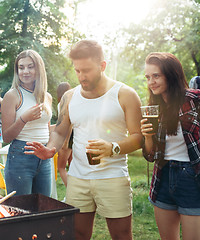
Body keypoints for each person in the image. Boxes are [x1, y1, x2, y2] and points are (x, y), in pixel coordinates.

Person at [25, 40, 142, 239]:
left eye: (86, 70)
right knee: (77, 234)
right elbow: (61, 132)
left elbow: (138, 137)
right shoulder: (69, 97)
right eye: (77, 70)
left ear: (102, 66)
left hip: (113, 177)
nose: (81, 76)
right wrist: (51, 149)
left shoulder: (125, 94)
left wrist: (112, 148)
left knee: (122, 235)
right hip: (78, 178)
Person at [141, 52, 200, 239]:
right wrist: (148, 136)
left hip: (192, 177)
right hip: (163, 176)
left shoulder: (194, 99)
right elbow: (150, 155)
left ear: (171, 74)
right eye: (148, 77)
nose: (151, 82)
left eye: (156, 76)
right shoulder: (154, 107)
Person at [1, 49, 53, 197]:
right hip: (20, 156)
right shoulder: (12, 95)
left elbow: (47, 129)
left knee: (43, 207)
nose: (25, 71)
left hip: (43, 157)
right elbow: (6, 137)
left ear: (39, 68)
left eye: (30, 66)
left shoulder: (46, 97)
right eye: (21, 67)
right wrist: (24, 119)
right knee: (22, 210)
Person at [55, 82, 73, 186]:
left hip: (68, 136)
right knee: (72, 167)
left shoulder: (62, 103)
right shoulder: (74, 101)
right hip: (75, 136)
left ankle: (70, 193)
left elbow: (67, 124)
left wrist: (65, 142)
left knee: (61, 167)